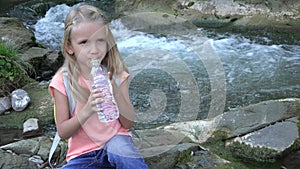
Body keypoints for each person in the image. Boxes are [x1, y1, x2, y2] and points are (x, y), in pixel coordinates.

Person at [49, 4, 149, 169]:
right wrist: (88, 109)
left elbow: (128, 123)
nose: (94, 50)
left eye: (100, 41)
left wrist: (115, 91)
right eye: (84, 43)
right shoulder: (62, 81)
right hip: (83, 154)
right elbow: (63, 132)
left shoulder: (116, 74)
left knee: (124, 153)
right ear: (69, 47)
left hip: (116, 141)